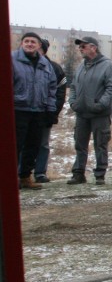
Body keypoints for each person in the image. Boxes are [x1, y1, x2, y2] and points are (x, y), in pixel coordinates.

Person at [67, 36, 112, 185]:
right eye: (80, 47)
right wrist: (72, 102)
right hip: (82, 112)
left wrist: (101, 104)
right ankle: (78, 173)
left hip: (99, 114)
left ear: (93, 47)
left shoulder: (107, 65)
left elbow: (111, 88)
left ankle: (100, 174)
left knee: (100, 144)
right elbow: (74, 86)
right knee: (80, 144)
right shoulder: (81, 66)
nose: (80, 49)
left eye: (83, 46)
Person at [13, 32, 57, 190]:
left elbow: (52, 88)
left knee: (33, 146)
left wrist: (51, 110)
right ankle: (10, 179)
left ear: (39, 46)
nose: (30, 44)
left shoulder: (45, 64)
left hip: (38, 110)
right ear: (22, 43)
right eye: (26, 41)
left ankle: (25, 177)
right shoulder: (12, 60)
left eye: (33, 42)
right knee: (15, 146)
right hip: (18, 109)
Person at [32, 37, 66, 183]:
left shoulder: (54, 68)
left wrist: (53, 113)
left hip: (45, 112)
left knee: (43, 144)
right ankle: (22, 173)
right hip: (24, 112)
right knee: (22, 143)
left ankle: (40, 172)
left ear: (43, 49)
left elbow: (60, 93)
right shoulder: (21, 65)